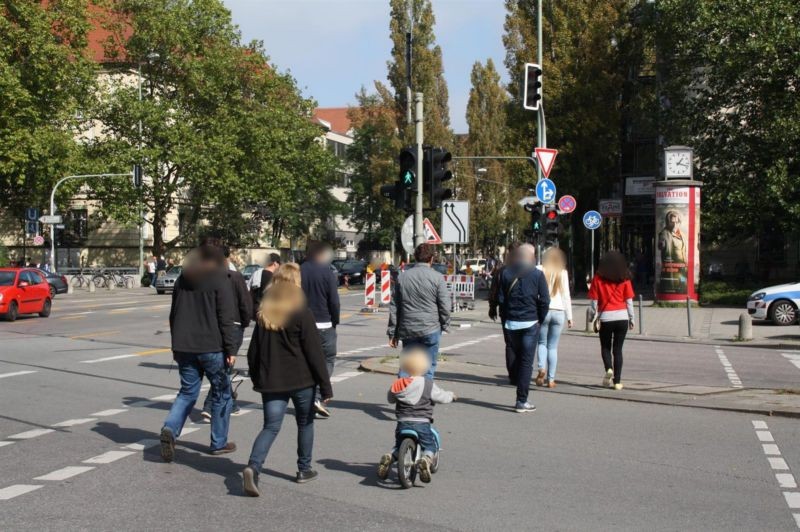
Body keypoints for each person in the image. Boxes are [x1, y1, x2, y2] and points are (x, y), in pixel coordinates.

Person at [242, 263, 332, 497]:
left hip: (272, 381)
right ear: (296, 285)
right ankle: (304, 469)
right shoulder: (302, 313)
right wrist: (325, 385)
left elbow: (253, 352)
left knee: (270, 426)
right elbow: (314, 353)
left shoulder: (263, 315)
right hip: (302, 380)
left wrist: (256, 376)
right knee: (305, 423)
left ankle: (253, 466)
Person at [159, 242, 238, 462]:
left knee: (187, 393)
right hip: (212, 346)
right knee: (222, 393)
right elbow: (226, 317)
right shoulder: (219, 278)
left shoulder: (183, 279)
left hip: (185, 346)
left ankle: (170, 428)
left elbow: (174, 314)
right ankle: (218, 442)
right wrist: (231, 348)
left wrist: (176, 345)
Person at [377, 349, 455, 483]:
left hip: (402, 422)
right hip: (422, 422)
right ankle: (426, 460)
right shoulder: (427, 384)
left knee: (398, 445)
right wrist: (451, 396)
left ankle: (390, 456)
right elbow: (441, 397)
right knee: (429, 446)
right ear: (425, 366)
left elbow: (390, 399)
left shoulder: (399, 383)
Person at [200, 246, 252, 420]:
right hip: (233, 325)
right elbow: (245, 303)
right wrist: (244, 321)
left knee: (224, 367)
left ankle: (231, 404)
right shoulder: (234, 276)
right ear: (227, 258)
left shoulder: (204, 276)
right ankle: (210, 406)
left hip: (213, 326)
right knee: (225, 368)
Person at [497, 244, 550, 413]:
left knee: (513, 351)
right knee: (527, 362)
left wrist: (505, 317)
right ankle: (521, 400)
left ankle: (514, 377)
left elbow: (501, 299)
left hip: (511, 322)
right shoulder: (537, 274)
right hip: (530, 323)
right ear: (531, 257)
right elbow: (545, 300)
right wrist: (539, 318)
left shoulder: (505, 273)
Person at [387, 243, 450, 379]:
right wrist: (445, 324)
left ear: (415, 257)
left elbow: (394, 306)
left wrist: (393, 333)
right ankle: (424, 397)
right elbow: (445, 306)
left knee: (407, 366)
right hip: (431, 328)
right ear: (432, 259)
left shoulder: (402, 278)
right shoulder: (437, 278)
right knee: (428, 367)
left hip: (408, 329)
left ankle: (402, 395)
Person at [300, 241, 340, 419]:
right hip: (324, 324)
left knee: (306, 362)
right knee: (327, 359)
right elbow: (334, 301)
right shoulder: (327, 272)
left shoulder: (297, 270)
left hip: (301, 324)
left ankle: (306, 398)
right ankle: (317, 397)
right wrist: (334, 320)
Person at [588, 251, 636, 390]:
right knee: (618, 350)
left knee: (605, 347)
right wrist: (632, 318)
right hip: (622, 318)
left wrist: (592, 316)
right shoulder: (625, 278)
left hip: (606, 318)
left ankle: (609, 369)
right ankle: (617, 382)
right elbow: (629, 301)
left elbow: (594, 302)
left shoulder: (598, 278)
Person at [535, 248, 573, 388]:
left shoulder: (539, 269)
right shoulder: (562, 273)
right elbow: (566, 296)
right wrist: (570, 317)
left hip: (543, 311)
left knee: (542, 343)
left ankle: (541, 368)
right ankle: (551, 380)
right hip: (559, 312)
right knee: (553, 347)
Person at [489, 243, 519, 384]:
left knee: (510, 344)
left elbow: (494, 290)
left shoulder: (501, 271)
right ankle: (522, 373)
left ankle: (513, 375)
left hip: (506, 311)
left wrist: (492, 307)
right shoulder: (529, 270)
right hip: (525, 312)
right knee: (523, 344)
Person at [246, 253, 281, 319]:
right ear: (275, 263)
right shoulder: (274, 278)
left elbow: (248, 289)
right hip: (268, 313)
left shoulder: (256, 273)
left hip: (255, 310)